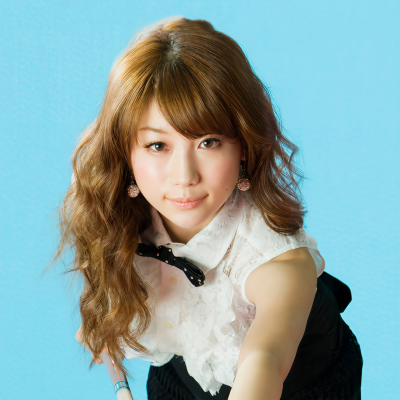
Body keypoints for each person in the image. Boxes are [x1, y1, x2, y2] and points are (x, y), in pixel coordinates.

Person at [56, 17, 363, 400]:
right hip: (181, 377)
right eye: (157, 146)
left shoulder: (278, 262)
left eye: (208, 142)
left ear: (243, 147)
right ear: (125, 155)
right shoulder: (113, 209)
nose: (184, 176)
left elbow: (265, 360)